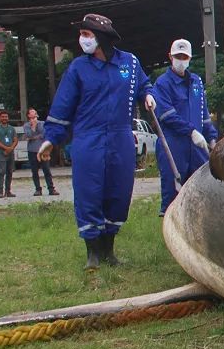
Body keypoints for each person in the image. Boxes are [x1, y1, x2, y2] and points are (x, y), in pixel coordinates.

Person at [37, 14, 156, 270]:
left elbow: (145, 84)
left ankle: (109, 250)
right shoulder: (79, 68)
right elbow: (63, 105)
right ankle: (92, 253)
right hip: (88, 139)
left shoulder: (130, 64)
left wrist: (148, 95)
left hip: (121, 137)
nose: (83, 39)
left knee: (118, 192)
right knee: (89, 192)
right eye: (82, 34)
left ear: (102, 37)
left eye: (87, 35)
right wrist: (51, 139)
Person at [154, 38, 218, 216]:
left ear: (190, 58)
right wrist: (190, 131)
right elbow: (167, 115)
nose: (181, 60)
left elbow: (204, 114)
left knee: (201, 188)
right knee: (173, 191)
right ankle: (171, 230)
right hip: (174, 145)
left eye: (184, 56)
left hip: (197, 146)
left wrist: (212, 137)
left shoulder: (196, 82)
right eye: (177, 56)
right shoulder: (162, 83)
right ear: (170, 56)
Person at [23, 108, 58, 196]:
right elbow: (28, 135)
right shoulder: (26, 125)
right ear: (28, 115)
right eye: (32, 113)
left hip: (43, 150)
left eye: (35, 112)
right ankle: (38, 189)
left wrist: (33, 136)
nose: (34, 115)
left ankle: (51, 189)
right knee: (34, 171)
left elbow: (44, 134)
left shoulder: (42, 123)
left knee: (46, 170)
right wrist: (33, 127)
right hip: (32, 151)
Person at [0, 110, 18, 198]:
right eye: (2, 117)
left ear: (8, 118)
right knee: (2, 172)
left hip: (10, 153)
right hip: (1, 153)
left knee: (10, 172)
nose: (4, 118)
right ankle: (0, 192)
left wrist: (11, 148)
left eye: (6, 117)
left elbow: (15, 140)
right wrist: (6, 148)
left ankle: (8, 191)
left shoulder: (11, 128)